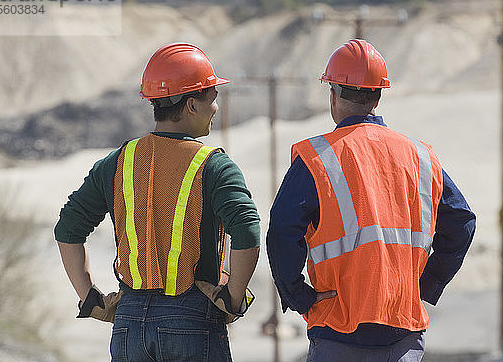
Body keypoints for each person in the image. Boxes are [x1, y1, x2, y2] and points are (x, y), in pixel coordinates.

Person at [267, 39, 475, 362]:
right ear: (378, 97)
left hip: (337, 331)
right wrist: (427, 284)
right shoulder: (420, 157)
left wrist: (299, 295)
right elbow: (462, 221)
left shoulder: (316, 159)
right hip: (403, 336)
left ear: (333, 95)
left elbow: (282, 228)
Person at [55, 43, 260, 362]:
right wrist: (234, 298)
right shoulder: (214, 167)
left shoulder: (118, 163)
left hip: (129, 325)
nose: (216, 107)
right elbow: (247, 232)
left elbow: (68, 228)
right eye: (212, 98)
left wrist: (90, 299)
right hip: (193, 321)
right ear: (191, 104)